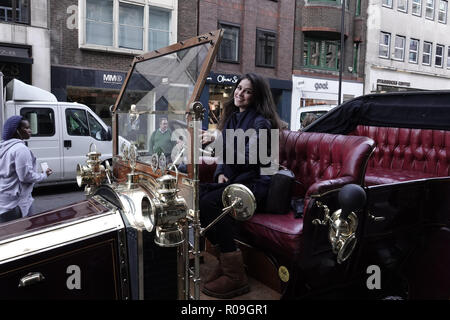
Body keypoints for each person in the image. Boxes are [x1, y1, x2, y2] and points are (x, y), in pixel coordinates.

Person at [199, 73, 283, 299]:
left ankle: (236, 276)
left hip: (258, 186)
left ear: (256, 97)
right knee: (198, 196)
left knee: (211, 203)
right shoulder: (233, 118)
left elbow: (250, 157)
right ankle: (227, 259)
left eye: (247, 91)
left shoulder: (261, 123)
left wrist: (217, 140)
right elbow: (226, 158)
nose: (240, 93)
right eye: (239, 88)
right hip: (239, 181)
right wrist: (220, 173)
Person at [0, 116, 52, 223]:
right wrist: (44, 175)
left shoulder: (4, 147)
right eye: (27, 128)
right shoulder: (20, 149)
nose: (30, 130)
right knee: (25, 231)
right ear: (17, 131)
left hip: (4, 200)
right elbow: (25, 176)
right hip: (16, 203)